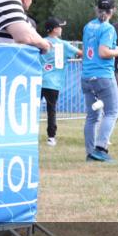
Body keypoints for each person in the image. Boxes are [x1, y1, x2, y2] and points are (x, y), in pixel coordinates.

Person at [82, 0, 118, 162]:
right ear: (113, 11)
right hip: (103, 75)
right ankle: (100, 149)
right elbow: (103, 53)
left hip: (87, 76)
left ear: (97, 9)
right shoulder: (108, 28)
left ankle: (90, 153)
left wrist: (116, 48)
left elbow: (95, 49)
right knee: (112, 111)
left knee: (92, 116)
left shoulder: (88, 26)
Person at [40, 16, 81, 146]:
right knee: (51, 110)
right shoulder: (63, 45)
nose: (61, 29)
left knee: (32, 109)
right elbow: (81, 53)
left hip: (38, 80)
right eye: (59, 26)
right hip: (53, 83)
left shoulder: (40, 41)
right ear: (54, 30)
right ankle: (51, 137)